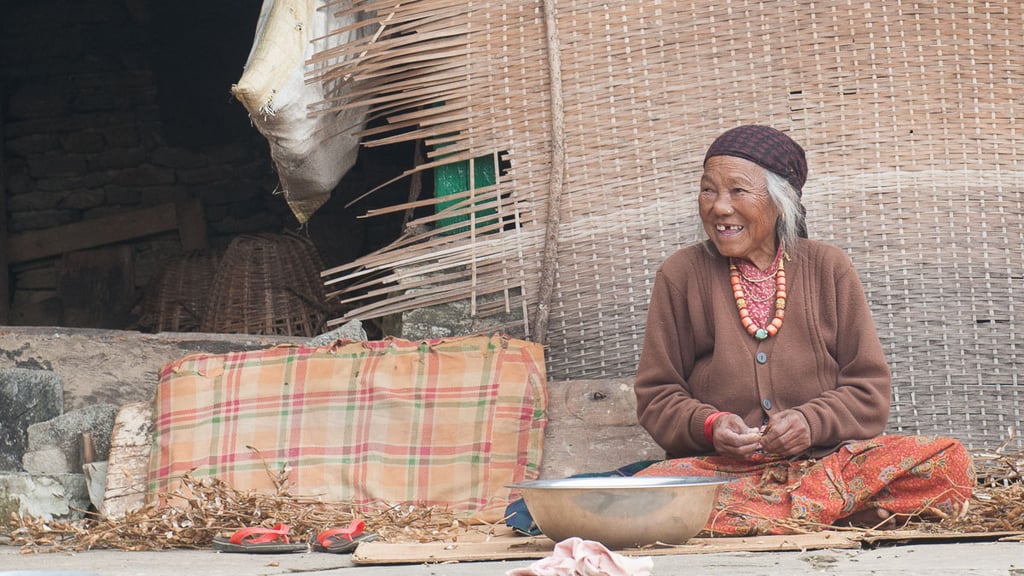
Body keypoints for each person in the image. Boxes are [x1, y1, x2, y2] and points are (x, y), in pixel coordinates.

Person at [632, 125, 973, 536]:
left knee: (950, 461)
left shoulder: (828, 267)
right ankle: (833, 514)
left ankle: (774, 516)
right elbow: (656, 397)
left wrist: (810, 423)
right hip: (724, 470)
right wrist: (711, 424)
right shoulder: (680, 274)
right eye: (709, 190)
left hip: (828, 463)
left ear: (780, 202)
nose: (719, 207)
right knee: (645, 493)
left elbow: (868, 391)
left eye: (737, 191)